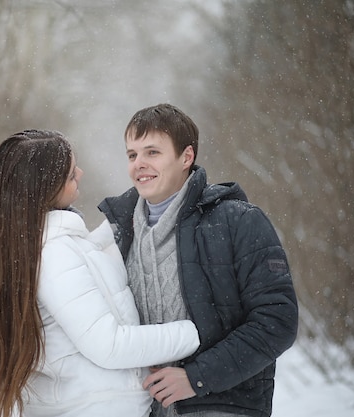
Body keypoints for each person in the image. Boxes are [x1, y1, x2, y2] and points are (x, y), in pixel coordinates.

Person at [0, 129, 201, 417]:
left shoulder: (43, 246)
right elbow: (108, 344)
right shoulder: (53, 253)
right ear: (44, 187)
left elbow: (92, 272)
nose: (80, 173)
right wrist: (196, 331)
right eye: (70, 173)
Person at [98, 104, 299, 417]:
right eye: (132, 154)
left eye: (152, 152)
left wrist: (197, 377)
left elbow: (277, 321)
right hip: (141, 407)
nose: (139, 164)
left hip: (223, 404)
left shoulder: (238, 222)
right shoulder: (117, 233)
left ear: (186, 157)